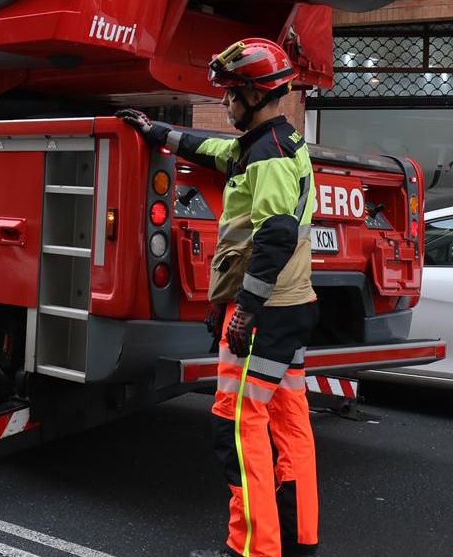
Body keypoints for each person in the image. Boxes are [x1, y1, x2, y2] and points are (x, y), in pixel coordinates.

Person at [118, 38, 319, 557]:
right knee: (288, 418)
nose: (226, 103)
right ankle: (298, 541)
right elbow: (209, 149)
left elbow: (273, 237)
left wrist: (245, 311)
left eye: (231, 93)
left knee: (236, 426)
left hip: (264, 311)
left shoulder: (269, 155)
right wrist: (156, 131)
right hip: (291, 306)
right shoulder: (272, 143)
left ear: (255, 93)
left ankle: (252, 547)